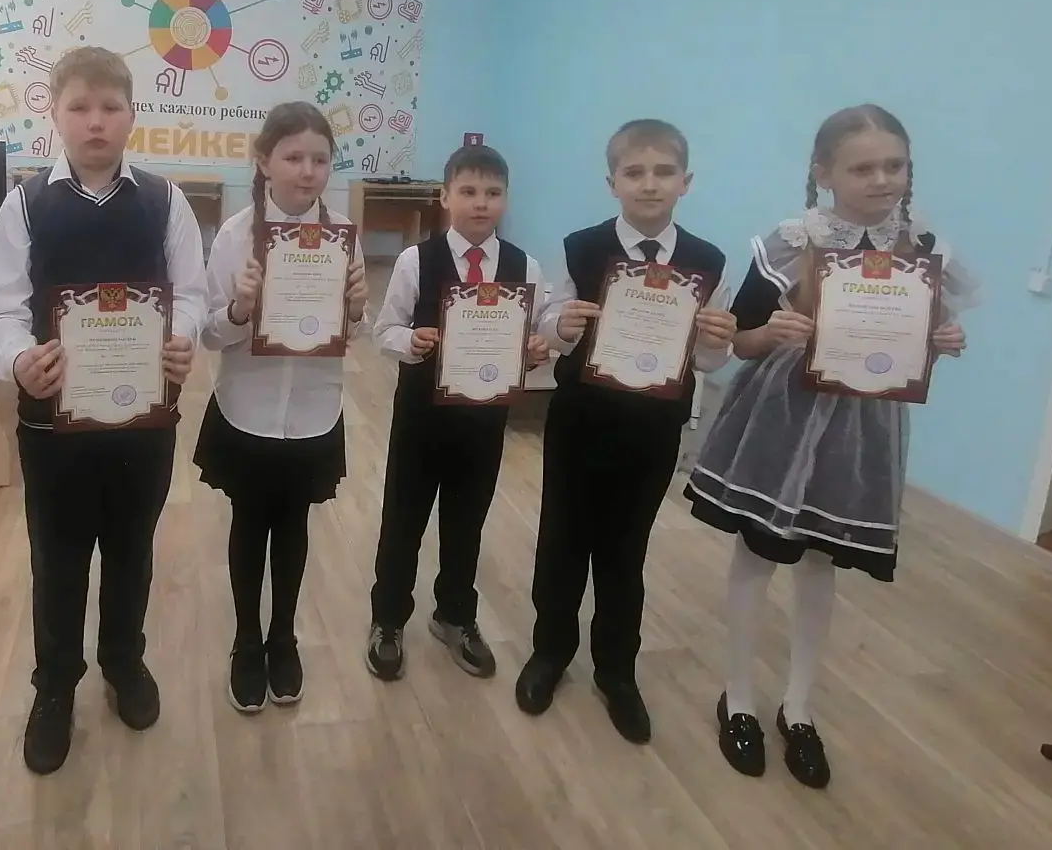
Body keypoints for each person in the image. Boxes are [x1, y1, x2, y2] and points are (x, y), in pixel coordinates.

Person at [683, 104, 976, 788]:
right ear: (824, 173)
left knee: (822, 563)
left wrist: (945, 340)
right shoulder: (792, 243)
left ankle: (799, 706)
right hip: (784, 413)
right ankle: (739, 697)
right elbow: (741, 341)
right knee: (760, 552)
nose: (882, 179)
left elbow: (922, 336)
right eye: (863, 167)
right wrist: (770, 334)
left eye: (894, 165)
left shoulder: (926, 246)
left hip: (864, 425)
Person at [0, 47, 207, 775]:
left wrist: (180, 338)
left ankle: (123, 661)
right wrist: (19, 359)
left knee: (133, 548)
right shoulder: (23, 205)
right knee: (58, 558)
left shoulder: (167, 202)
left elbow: (191, 295)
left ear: (133, 115)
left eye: (111, 107)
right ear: (54, 114)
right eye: (79, 107)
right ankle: (54, 687)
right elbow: (0, 310)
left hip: (144, 419)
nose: (96, 121)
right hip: (53, 424)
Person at [515, 119, 737, 746]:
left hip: (654, 428)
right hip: (581, 420)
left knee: (625, 549)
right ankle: (550, 652)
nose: (649, 184)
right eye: (634, 172)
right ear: (612, 182)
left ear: (686, 181)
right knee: (562, 540)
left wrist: (716, 341)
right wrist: (563, 327)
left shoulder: (708, 261)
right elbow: (552, 325)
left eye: (663, 172)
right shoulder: (579, 248)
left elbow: (708, 358)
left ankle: (616, 671)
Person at [195, 101, 368, 713]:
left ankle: (283, 637)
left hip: (315, 410)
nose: (308, 171)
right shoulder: (235, 235)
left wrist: (355, 310)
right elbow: (209, 334)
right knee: (249, 524)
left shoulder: (343, 237)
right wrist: (240, 308)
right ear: (264, 161)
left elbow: (354, 332)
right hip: (248, 407)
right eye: (294, 157)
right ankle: (246, 641)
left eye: (320, 159)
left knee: (294, 525)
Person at [365, 143, 550, 682]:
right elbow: (385, 331)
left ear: (506, 199)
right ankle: (388, 619)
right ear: (445, 197)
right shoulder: (414, 261)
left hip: (484, 421)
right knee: (403, 520)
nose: (480, 203)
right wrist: (412, 340)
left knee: (467, 522)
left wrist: (537, 348)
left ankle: (454, 615)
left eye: (492, 193)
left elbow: (536, 334)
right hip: (421, 417)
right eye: (468, 191)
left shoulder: (525, 267)